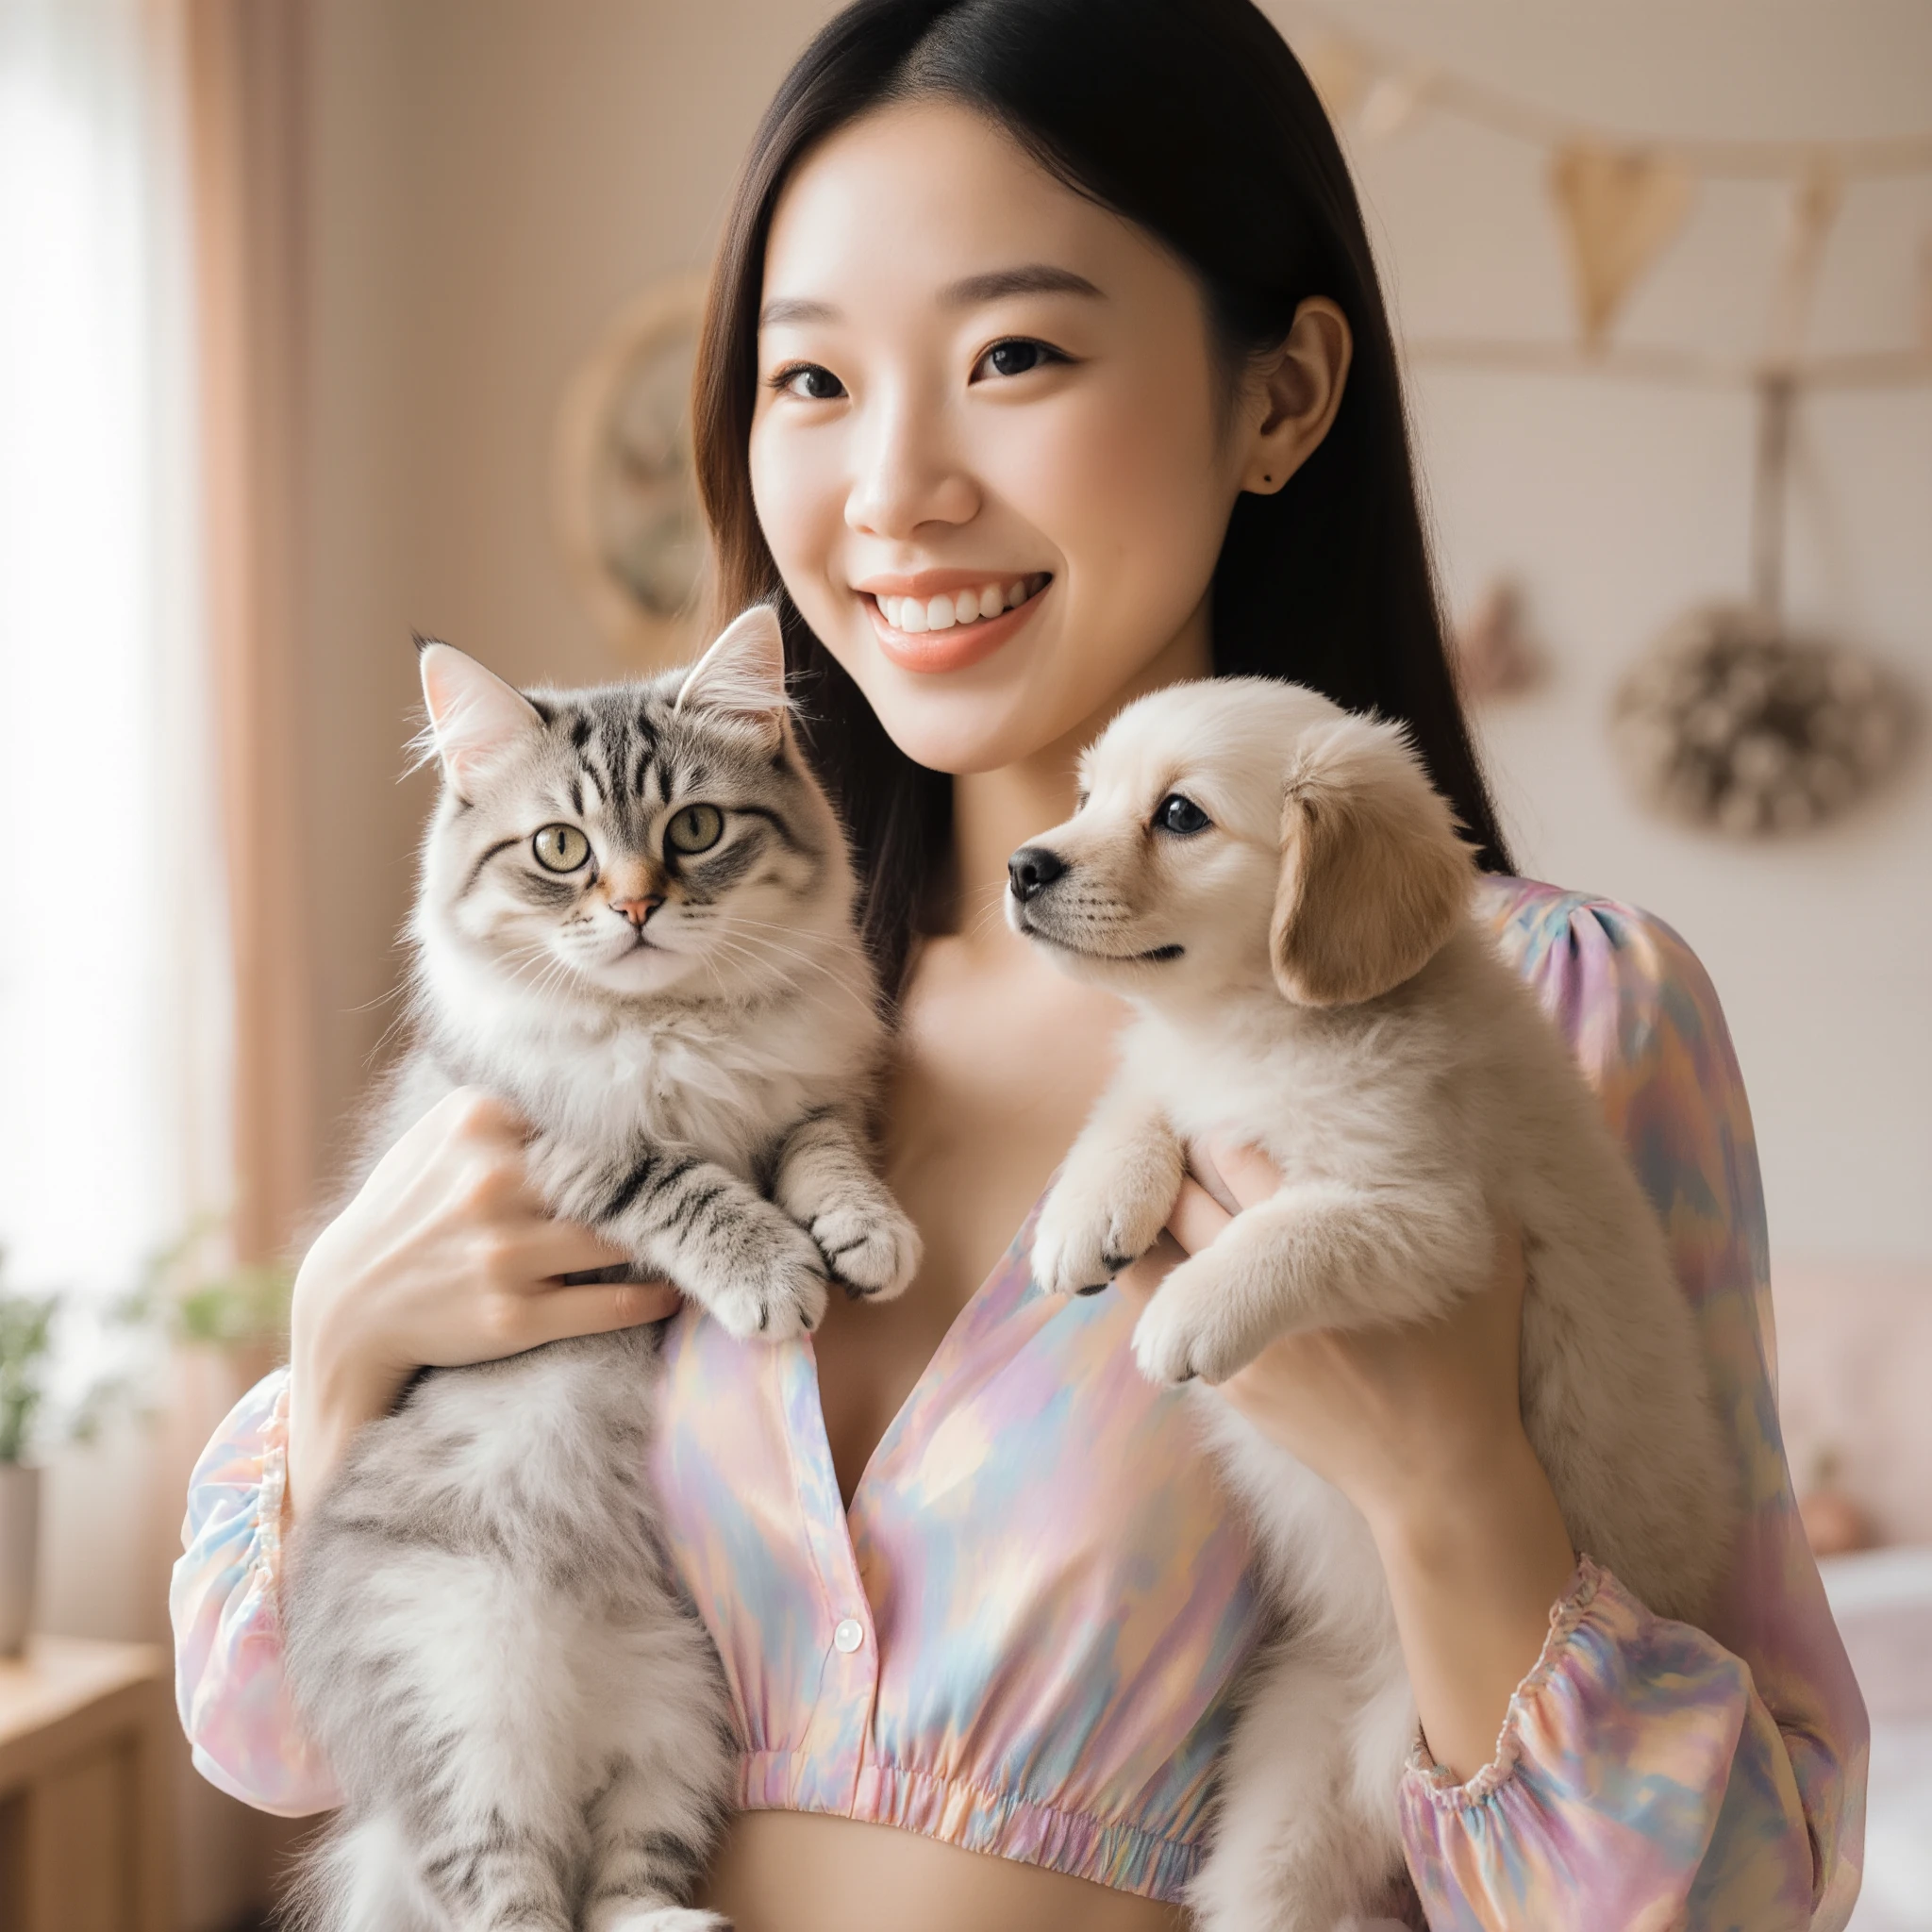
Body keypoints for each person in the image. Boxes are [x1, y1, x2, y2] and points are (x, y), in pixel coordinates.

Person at [171, 3, 1867, 1926]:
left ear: (1281, 397)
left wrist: (1449, 1490)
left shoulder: (1530, 1018)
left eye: (1014, 355)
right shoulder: (656, 1016)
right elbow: (275, 1729)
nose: (893, 488)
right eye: (809, 382)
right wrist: (336, 1351)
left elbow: (1744, 1893)